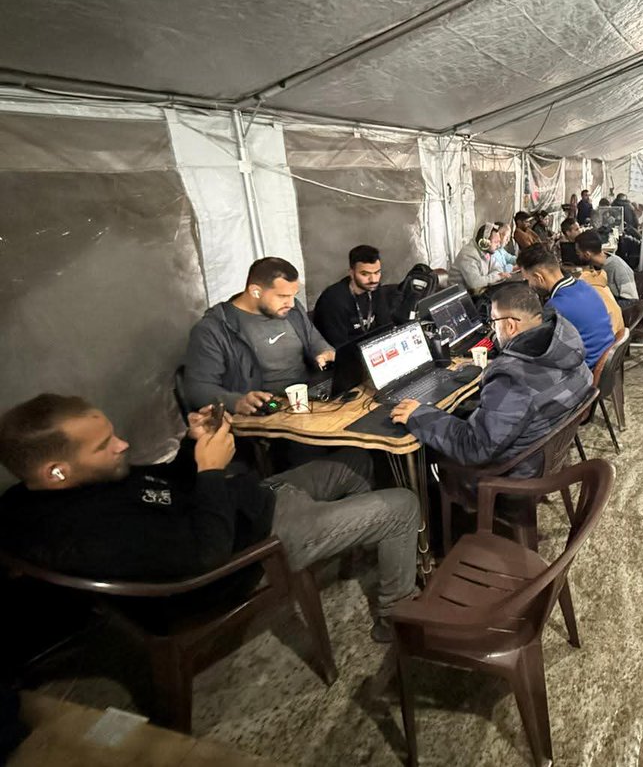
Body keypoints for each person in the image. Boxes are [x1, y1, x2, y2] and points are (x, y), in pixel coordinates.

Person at [0, 395, 419, 643]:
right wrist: (211, 472)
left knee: (358, 459)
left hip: (255, 500)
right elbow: (206, 554)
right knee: (402, 505)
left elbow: (168, 483)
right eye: (105, 444)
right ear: (56, 471)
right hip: (261, 541)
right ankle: (393, 620)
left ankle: (366, 548)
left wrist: (193, 443)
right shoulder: (77, 531)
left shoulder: (93, 478)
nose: (122, 444)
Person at [389, 283, 593, 504]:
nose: (492, 330)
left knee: (426, 449)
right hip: (543, 458)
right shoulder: (566, 344)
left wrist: (420, 415)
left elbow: (474, 447)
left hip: (514, 479)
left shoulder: (513, 378)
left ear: (510, 325)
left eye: (493, 322)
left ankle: (431, 517)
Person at [183, 257, 334, 416]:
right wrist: (237, 402)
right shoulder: (214, 329)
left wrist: (324, 351)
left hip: (309, 397)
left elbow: (314, 340)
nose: (291, 303)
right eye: (282, 296)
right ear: (255, 291)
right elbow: (197, 389)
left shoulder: (292, 311)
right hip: (268, 411)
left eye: (293, 295)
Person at [516, 244, 615, 369]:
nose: (529, 285)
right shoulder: (584, 286)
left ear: (538, 277)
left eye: (528, 280)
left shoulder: (555, 307)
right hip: (603, 363)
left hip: (586, 373)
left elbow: (534, 349)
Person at [312, 244, 401, 349]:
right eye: (365, 274)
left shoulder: (375, 289)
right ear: (351, 273)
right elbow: (340, 348)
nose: (373, 280)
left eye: (377, 273)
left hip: (372, 351)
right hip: (346, 356)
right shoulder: (333, 301)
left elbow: (386, 327)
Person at [575, 230, 639, 306]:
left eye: (578, 253)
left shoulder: (617, 267)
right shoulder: (595, 265)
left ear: (587, 254)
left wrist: (603, 304)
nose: (577, 256)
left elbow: (632, 301)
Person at [449, 223, 511, 296]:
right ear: (484, 243)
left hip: (475, 294)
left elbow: (498, 269)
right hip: (459, 298)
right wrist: (497, 276)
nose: (498, 245)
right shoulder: (468, 255)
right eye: (496, 242)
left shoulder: (487, 251)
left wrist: (488, 278)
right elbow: (476, 283)